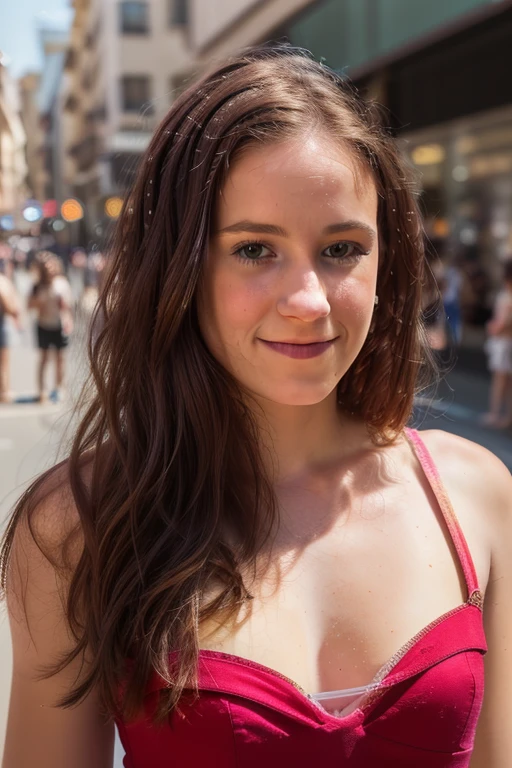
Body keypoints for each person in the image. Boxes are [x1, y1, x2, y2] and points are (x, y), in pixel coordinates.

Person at [1, 45, 511, 768]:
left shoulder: (478, 498)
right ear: (178, 265)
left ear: (385, 262)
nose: (306, 300)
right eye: (253, 250)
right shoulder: (75, 529)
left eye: (341, 248)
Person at [27, 251, 74, 403]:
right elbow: (28, 305)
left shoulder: (62, 283)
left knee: (60, 358)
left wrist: (68, 320)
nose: (49, 270)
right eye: (46, 268)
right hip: (43, 324)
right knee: (44, 358)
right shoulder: (36, 286)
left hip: (59, 324)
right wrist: (38, 302)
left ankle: (59, 388)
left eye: (51, 267)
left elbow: (68, 306)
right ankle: (42, 391)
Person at [482, 260, 512, 428]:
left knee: (499, 381)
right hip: (510, 341)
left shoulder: (505, 296)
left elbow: (500, 323)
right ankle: (507, 416)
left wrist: (490, 328)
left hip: (502, 342)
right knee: (508, 383)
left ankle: (494, 414)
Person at [0, 270, 20, 403]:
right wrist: (13, 312)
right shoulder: (2, 281)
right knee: (3, 362)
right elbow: (8, 305)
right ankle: (4, 391)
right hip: (2, 323)